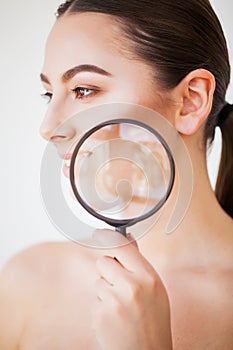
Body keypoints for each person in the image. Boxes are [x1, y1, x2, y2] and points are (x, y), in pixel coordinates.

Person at [0, 0, 233, 349]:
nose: (48, 128)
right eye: (49, 94)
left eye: (83, 90)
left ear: (190, 100)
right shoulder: (27, 282)